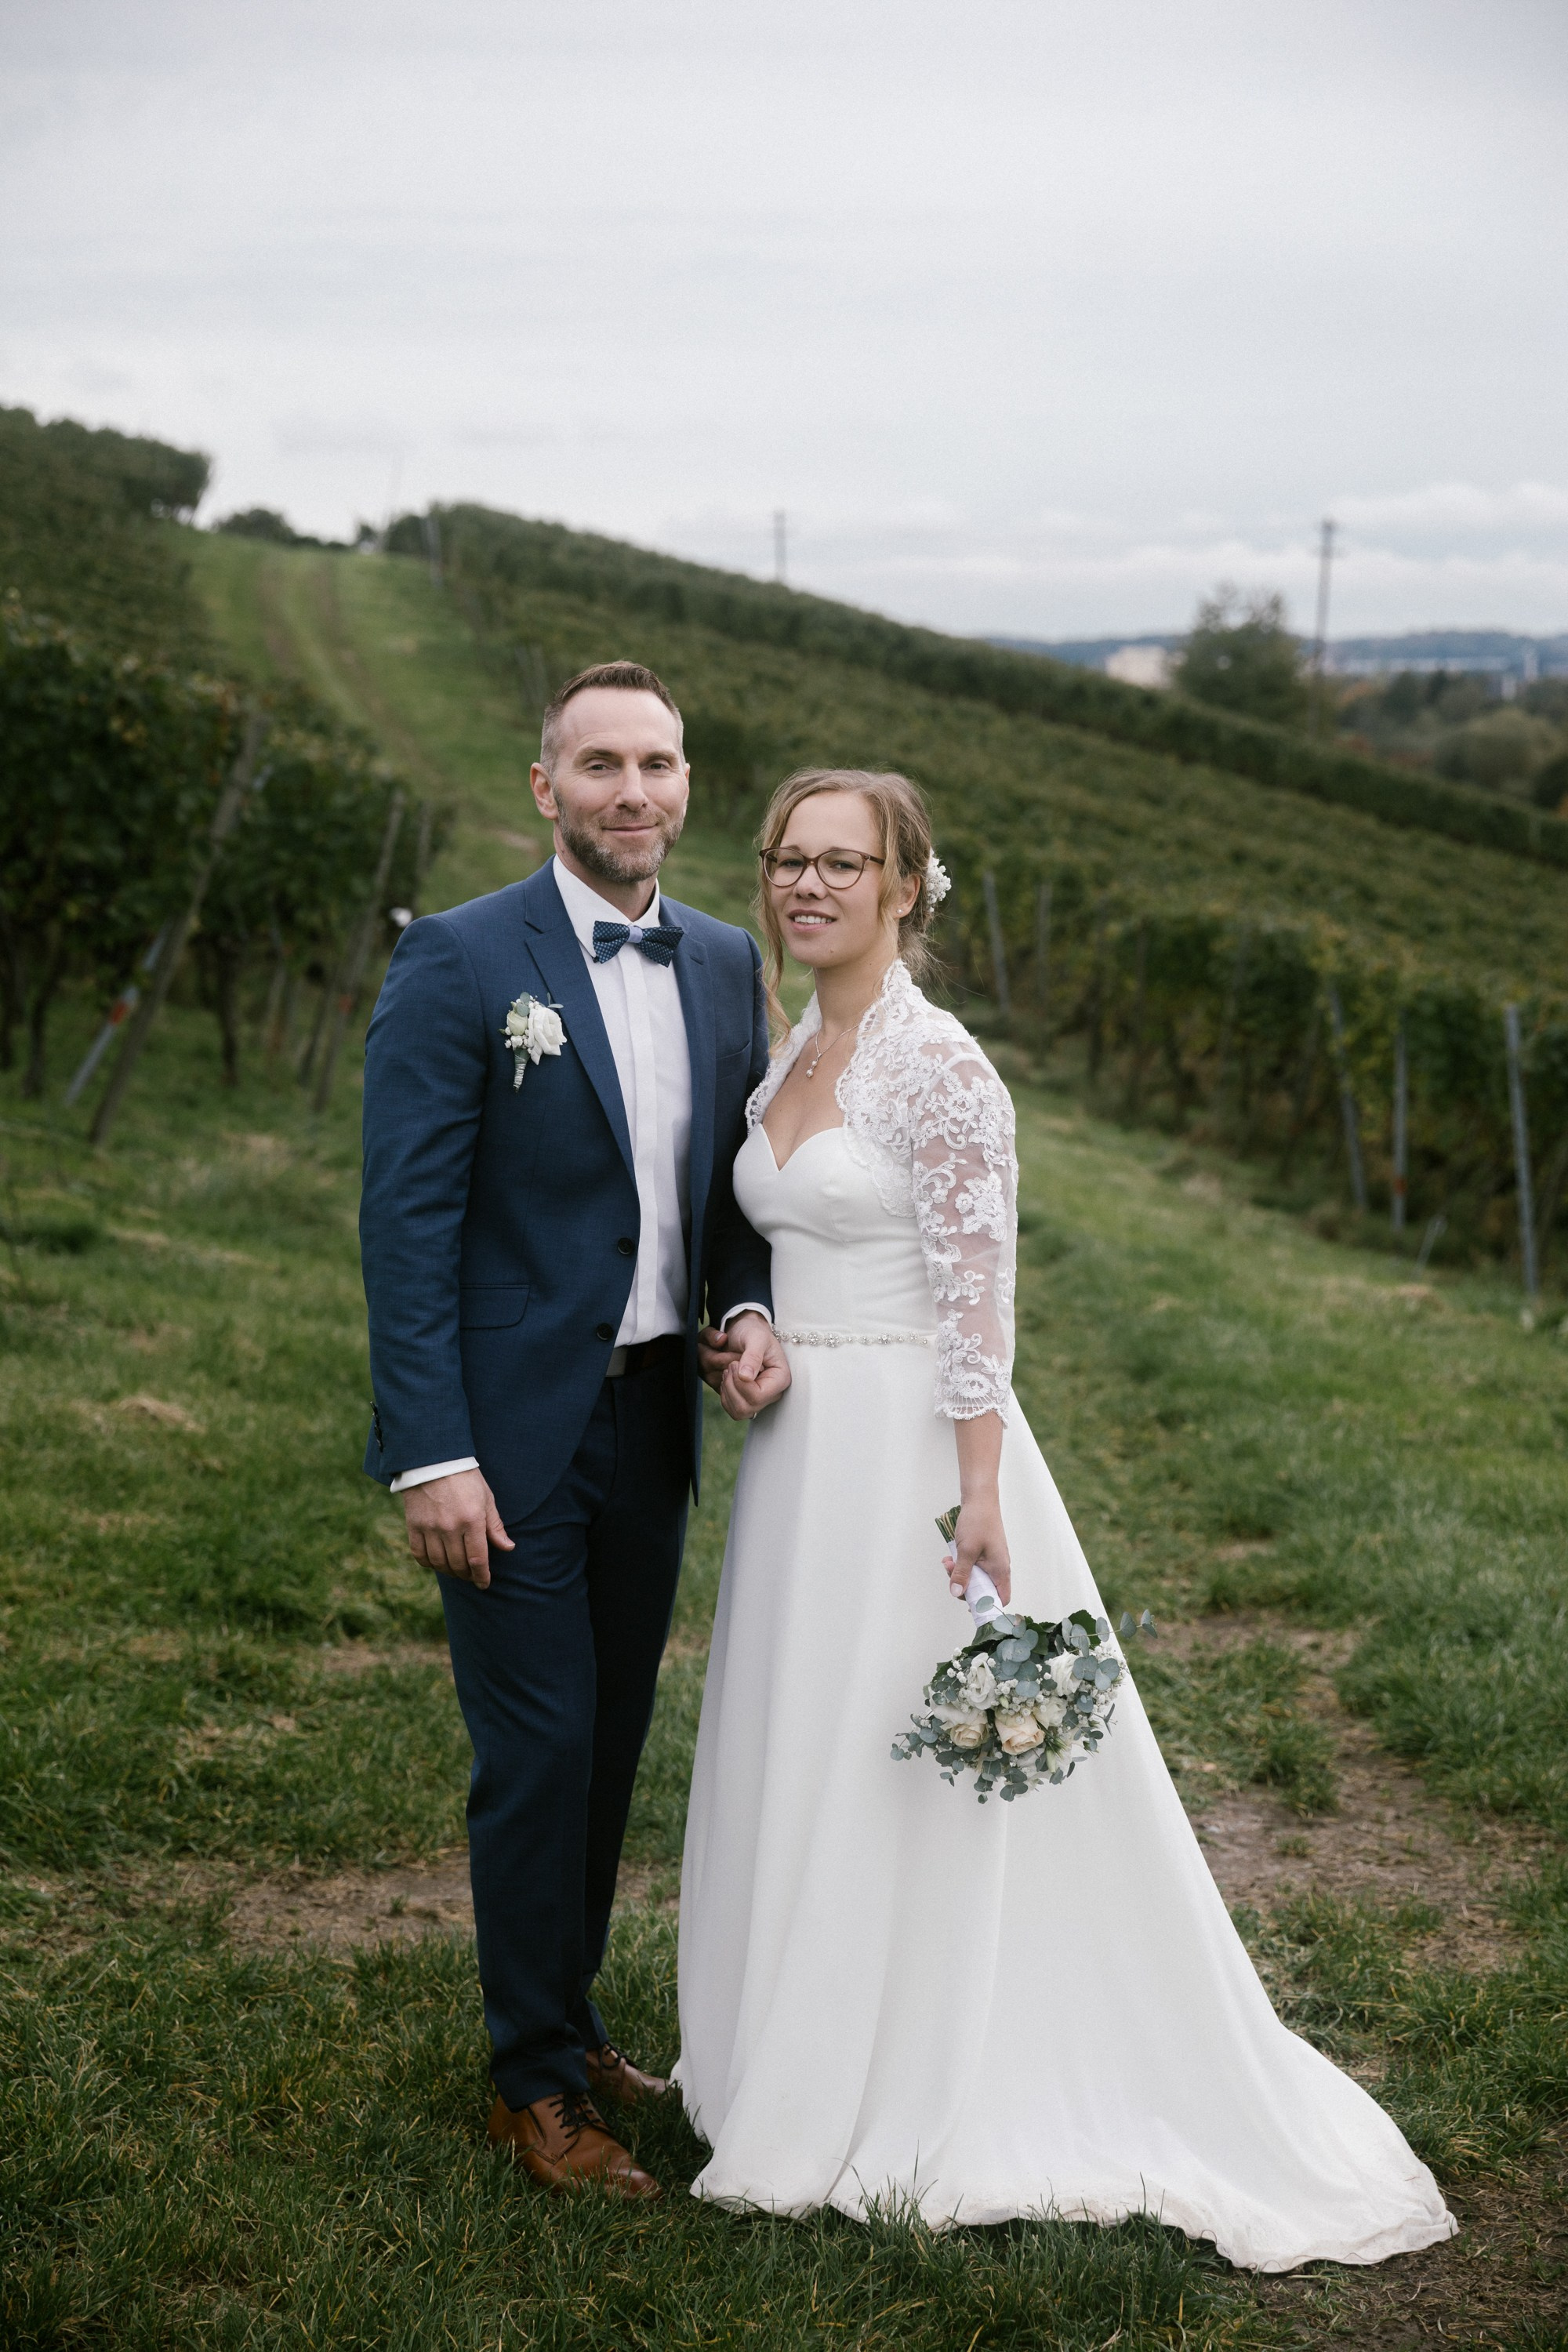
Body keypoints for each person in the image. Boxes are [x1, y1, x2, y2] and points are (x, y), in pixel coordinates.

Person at [681, 767, 1456, 2267]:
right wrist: (752, 1329)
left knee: (905, 1764)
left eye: (848, 863)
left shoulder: (941, 1068)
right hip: (797, 1462)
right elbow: (779, 1239)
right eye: (790, 858)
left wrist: (976, 1495)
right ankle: (784, 2040)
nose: (810, 885)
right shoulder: (789, 1053)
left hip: (912, 1463)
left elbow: (982, 1304)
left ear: (907, 889)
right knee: (804, 1739)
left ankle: (925, 2068)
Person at [359, 660, 788, 2200]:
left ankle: (570, 2016)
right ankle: (530, 2085)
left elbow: (730, 1196)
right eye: (598, 764)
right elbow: (407, 1223)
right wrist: (430, 1451)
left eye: (657, 764)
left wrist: (743, 1309)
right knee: (535, 1752)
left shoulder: (730, 964)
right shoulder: (464, 962)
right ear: (545, 787)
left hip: (652, 1427)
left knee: (608, 1750)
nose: (632, 791)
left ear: (688, 786)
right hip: (509, 1435)